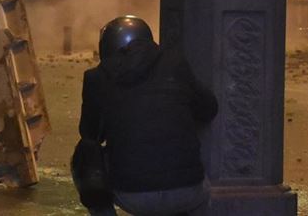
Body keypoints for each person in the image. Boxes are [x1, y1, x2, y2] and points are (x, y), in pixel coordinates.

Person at [75, 16, 218, 216]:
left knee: (84, 155)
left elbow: (90, 135)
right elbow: (209, 109)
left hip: (133, 196)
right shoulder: (175, 63)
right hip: (188, 192)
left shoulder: (97, 78)